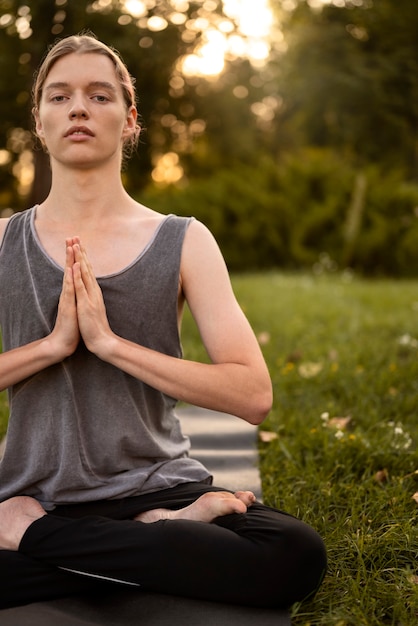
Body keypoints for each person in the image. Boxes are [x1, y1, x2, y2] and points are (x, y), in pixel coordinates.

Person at [0, 33, 326, 610]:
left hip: (155, 484)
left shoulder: (183, 240)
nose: (78, 107)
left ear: (129, 121)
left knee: (295, 554)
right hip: (33, 490)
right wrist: (53, 346)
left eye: (99, 96)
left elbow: (252, 394)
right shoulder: (3, 240)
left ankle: (40, 541)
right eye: (60, 96)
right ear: (40, 121)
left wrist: (108, 344)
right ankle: (156, 543)